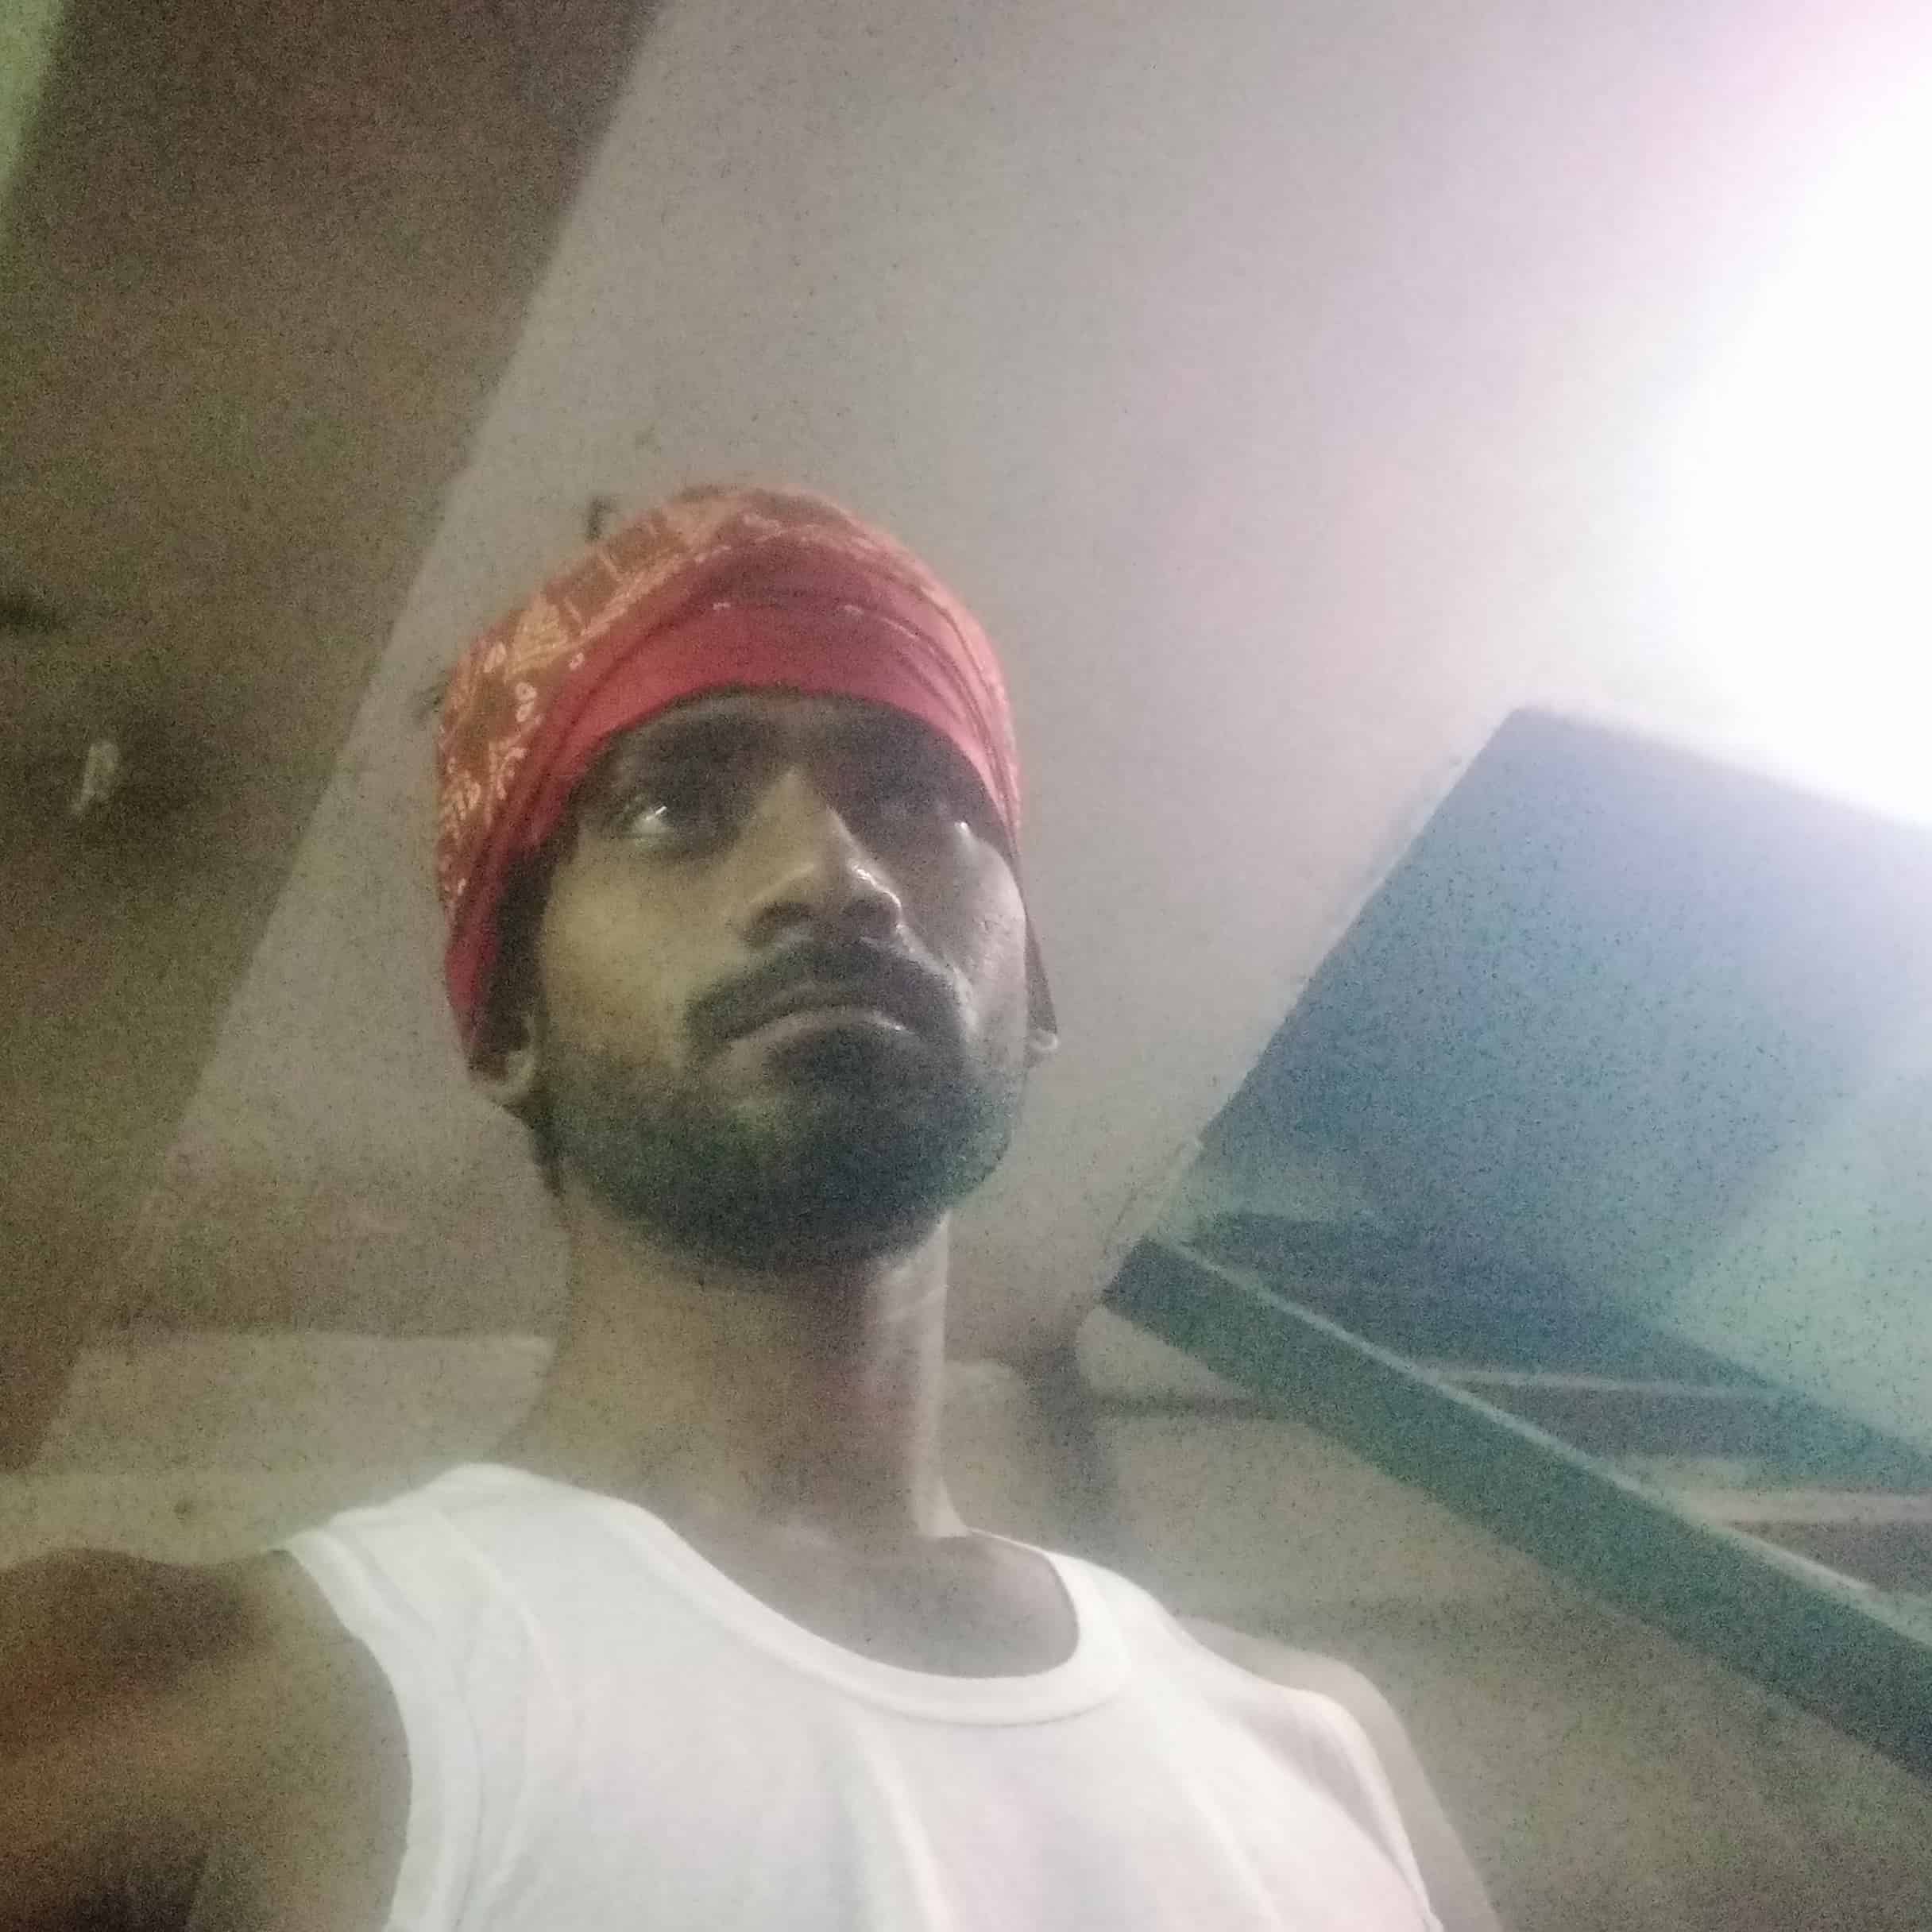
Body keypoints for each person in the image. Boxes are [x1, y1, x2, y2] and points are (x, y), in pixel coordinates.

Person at [2, 486, 1501, 1930]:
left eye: (915, 798)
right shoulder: (189, 1699)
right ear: (507, 1020)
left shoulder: (1329, 1753)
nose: (831, 875)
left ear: (1034, 990)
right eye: (674, 806)